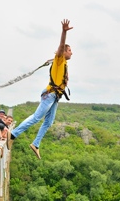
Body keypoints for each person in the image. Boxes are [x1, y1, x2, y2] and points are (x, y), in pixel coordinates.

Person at [7, 19, 73, 159]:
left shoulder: (63, 63)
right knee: (37, 117)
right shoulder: (59, 59)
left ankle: (36, 144)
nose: (71, 53)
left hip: (55, 97)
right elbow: (61, 46)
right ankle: (13, 134)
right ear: (64, 51)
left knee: (48, 122)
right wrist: (64, 32)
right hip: (50, 95)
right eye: (70, 50)